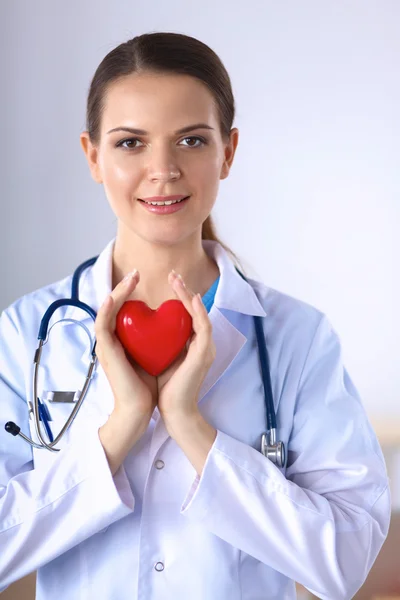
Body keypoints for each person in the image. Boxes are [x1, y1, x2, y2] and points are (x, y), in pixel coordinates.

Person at [0, 32, 390, 600]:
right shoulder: (26, 334)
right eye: (131, 143)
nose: (163, 169)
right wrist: (116, 433)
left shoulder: (296, 338)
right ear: (93, 156)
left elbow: (344, 560)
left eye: (190, 140)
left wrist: (193, 428)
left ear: (227, 152)